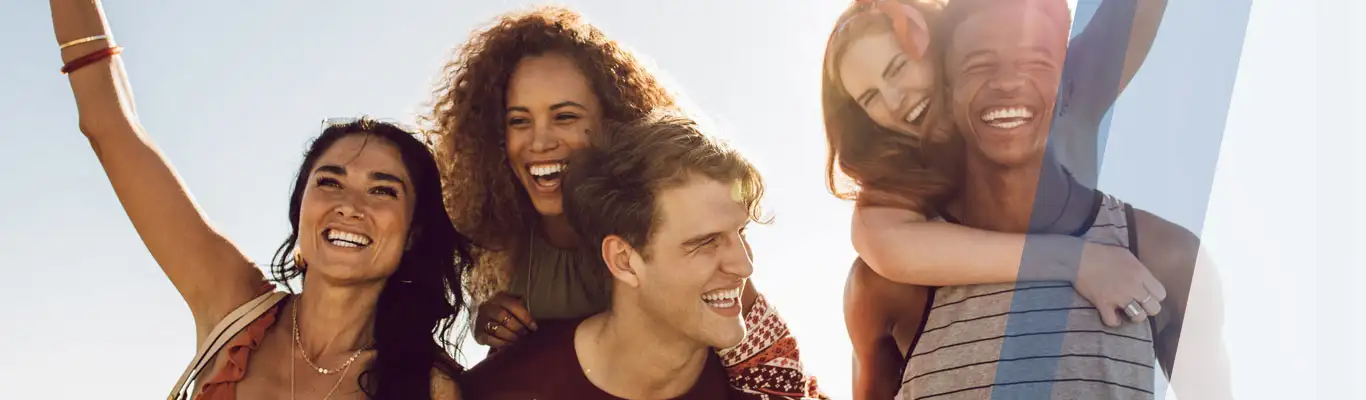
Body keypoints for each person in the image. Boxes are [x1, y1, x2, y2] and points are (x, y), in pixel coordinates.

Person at [48, 1, 471, 398]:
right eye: (329, 182)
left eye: (382, 190)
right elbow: (109, 125)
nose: (349, 206)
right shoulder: (236, 308)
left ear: (414, 231)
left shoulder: (431, 387)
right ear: (300, 207)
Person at [426, 6, 823, 398]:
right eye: (519, 121)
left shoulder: (659, 223)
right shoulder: (502, 236)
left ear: (612, 124)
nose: (540, 141)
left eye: (564, 116)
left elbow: (768, 356)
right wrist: (492, 323)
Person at [849, 0, 1234, 398]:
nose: (1008, 83)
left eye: (1032, 60)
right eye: (978, 66)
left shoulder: (1165, 256)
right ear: (947, 91)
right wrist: (1075, 259)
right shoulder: (889, 281)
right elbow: (881, 241)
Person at [824, 0, 1173, 329]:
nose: (895, 99)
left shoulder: (1062, 93)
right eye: (870, 97)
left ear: (940, 46)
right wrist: (1075, 260)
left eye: (898, 68)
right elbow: (885, 245)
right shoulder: (905, 181)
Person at [461, 111, 767, 399]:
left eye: (741, 233)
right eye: (707, 242)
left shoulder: (764, 384)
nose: (745, 266)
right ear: (623, 260)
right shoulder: (502, 389)